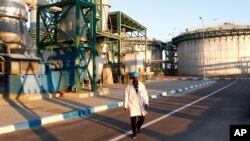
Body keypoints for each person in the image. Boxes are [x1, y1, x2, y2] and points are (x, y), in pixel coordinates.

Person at [123, 71, 149, 139]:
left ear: (138, 77)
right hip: (132, 105)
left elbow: (145, 95)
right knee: (133, 121)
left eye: (136, 77)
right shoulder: (128, 87)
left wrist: (146, 102)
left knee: (142, 118)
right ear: (132, 78)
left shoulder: (142, 85)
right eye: (133, 78)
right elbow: (126, 96)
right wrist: (125, 106)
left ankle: (138, 127)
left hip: (140, 104)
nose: (135, 79)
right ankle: (134, 133)